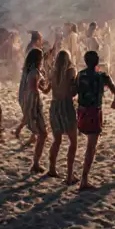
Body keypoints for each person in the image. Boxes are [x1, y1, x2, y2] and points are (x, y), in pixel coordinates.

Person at [74, 50, 115, 190]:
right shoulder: (102, 76)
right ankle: (84, 179)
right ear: (97, 61)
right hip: (94, 112)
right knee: (91, 147)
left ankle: (75, 175)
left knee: (85, 144)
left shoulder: (80, 75)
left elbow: (75, 91)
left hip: (81, 111)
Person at [45, 49, 79, 183]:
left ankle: (52, 168)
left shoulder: (53, 72)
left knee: (57, 140)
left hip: (54, 106)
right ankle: (69, 176)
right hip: (66, 106)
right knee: (73, 142)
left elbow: (47, 90)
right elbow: (72, 92)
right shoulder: (71, 71)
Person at [16, 47, 49, 173]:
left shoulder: (28, 70)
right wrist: (37, 92)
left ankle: (35, 162)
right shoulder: (34, 72)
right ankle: (35, 164)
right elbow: (33, 87)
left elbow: (41, 88)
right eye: (41, 57)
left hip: (28, 103)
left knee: (41, 132)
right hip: (33, 104)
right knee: (43, 134)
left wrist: (47, 87)